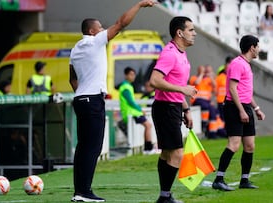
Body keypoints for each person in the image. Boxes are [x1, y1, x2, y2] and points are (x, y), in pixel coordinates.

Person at [68, 1, 157, 202]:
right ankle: (84, 192)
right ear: (92, 31)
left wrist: (82, 92)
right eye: (100, 27)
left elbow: (72, 79)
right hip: (92, 100)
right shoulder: (95, 41)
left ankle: (79, 191)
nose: (103, 30)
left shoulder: (75, 49)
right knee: (93, 148)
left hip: (80, 99)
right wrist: (140, 4)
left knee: (83, 147)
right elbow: (121, 23)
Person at [149, 16, 197, 203]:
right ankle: (165, 197)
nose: (194, 34)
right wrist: (183, 90)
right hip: (165, 108)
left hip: (173, 107)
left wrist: (186, 109)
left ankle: (164, 196)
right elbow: (155, 81)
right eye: (191, 30)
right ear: (180, 32)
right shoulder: (169, 53)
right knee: (176, 153)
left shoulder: (181, 53)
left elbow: (174, 83)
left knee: (168, 153)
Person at [212, 35, 266, 191]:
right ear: (252, 47)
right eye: (258, 46)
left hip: (245, 107)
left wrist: (256, 109)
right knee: (234, 144)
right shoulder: (237, 64)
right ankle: (219, 179)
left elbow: (246, 92)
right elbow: (232, 89)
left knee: (249, 145)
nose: (259, 49)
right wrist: (242, 111)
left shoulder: (246, 64)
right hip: (235, 107)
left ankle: (244, 180)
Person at [118, 67, 155, 154]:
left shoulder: (128, 86)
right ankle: (148, 148)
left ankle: (147, 148)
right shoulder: (125, 87)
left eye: (134, 74)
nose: (133, 76)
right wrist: (140, 109)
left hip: (132, 112)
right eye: (131, 74)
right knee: (148, 126)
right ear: (126, 75)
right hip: (131, 112)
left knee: (147, 126)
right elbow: (130, 101)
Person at [216, 55, 233, 121]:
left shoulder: (234, 76)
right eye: (229, 63)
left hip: (231, 101)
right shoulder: (220, 76)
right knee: (223, 119)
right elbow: (215, 89)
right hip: (221, 101)